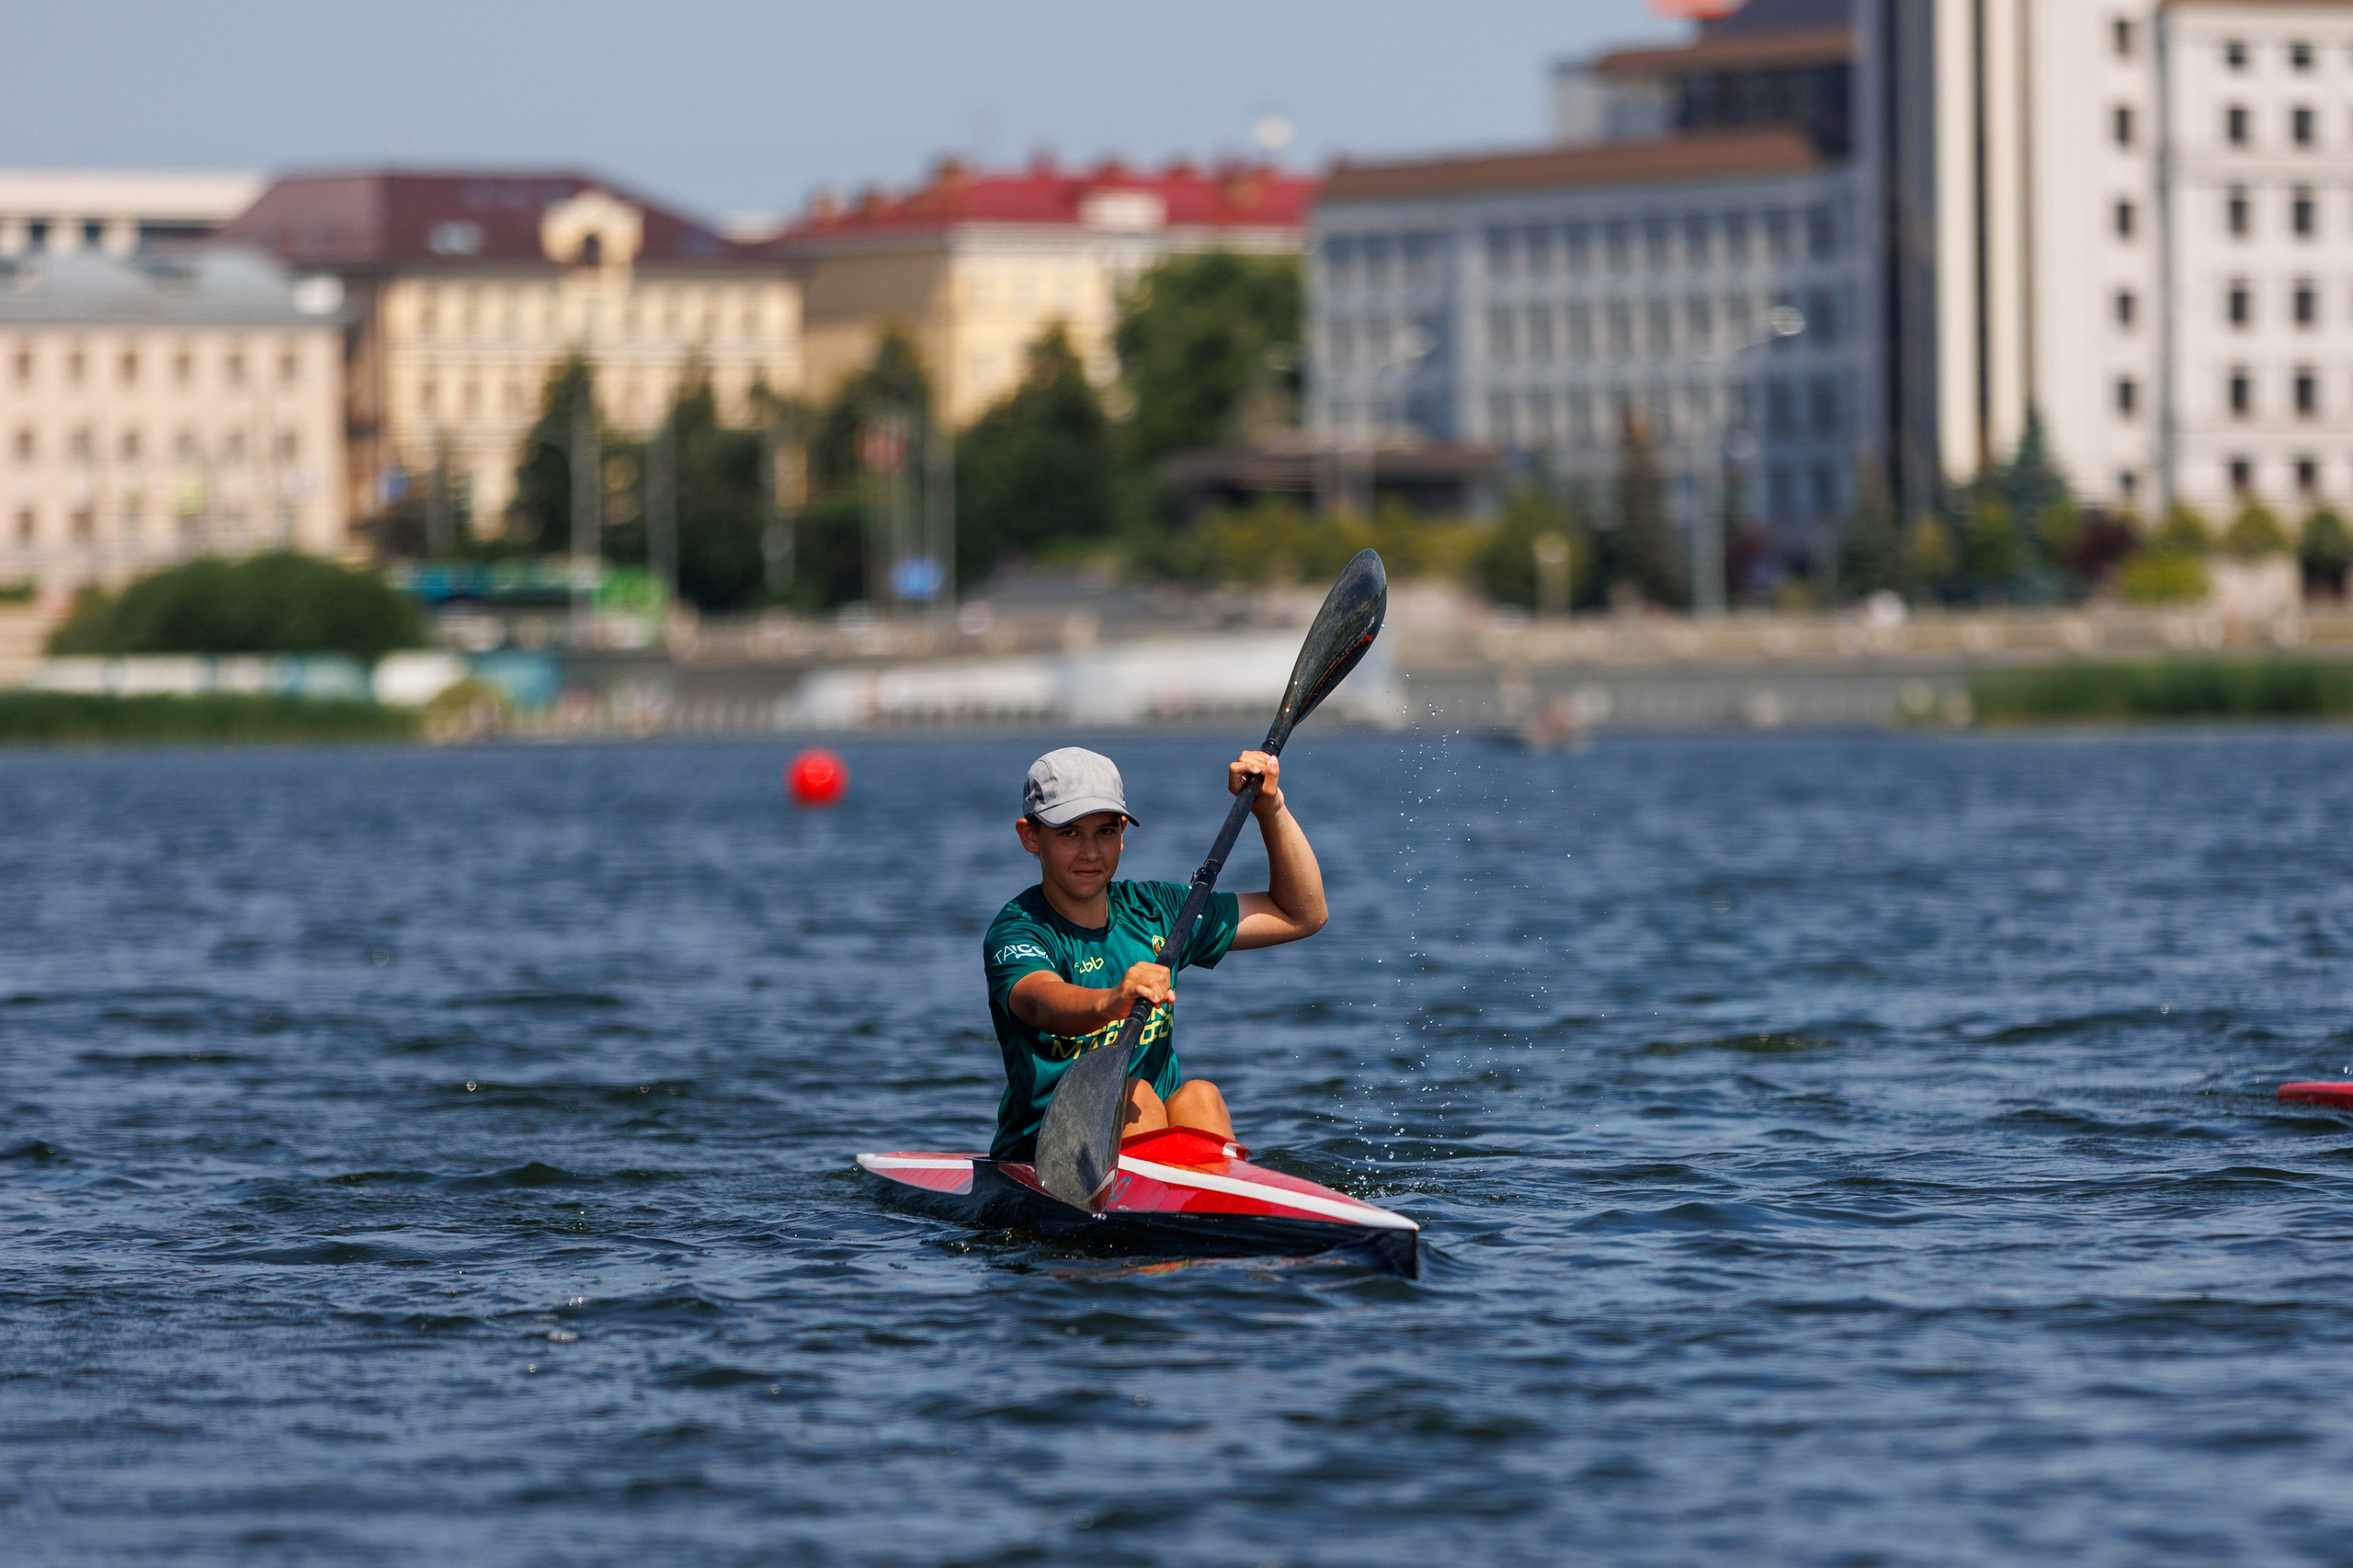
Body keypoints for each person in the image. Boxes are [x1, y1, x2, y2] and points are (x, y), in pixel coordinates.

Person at [982, 745, 1327, 1162]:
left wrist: (1270, 809)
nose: (1091, 852)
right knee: (1136, 1094)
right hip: (1042, 1154)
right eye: (1070, 832)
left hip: (1147, 1144)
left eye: (1106, 831)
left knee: (1201, 1097)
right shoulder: (1018, 929)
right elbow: (1039, 1002)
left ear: (1123, 833)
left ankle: (1216, 1208)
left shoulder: (1160, 912)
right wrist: (1112, 1000)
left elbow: (1302, 914)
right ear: (1030, 836)